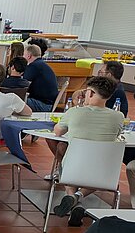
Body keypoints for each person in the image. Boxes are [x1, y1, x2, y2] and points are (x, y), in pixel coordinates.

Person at [49, 76, 124, 221]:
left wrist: (77, 108)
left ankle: (72, 197)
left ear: (90, 93)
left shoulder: (74, 112)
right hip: (104, 174)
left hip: (73, 170)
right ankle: (77, 198)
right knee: (96, 171)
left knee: (63, 153)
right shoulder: (118, 117)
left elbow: (57, 132)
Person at [23, 44, 59, 112]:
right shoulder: (42, 65)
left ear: (28, 56)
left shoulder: (33, 66)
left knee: (15, 100)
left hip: (43, 105)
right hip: (49, 104)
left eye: (23, 55)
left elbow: (23, 84)